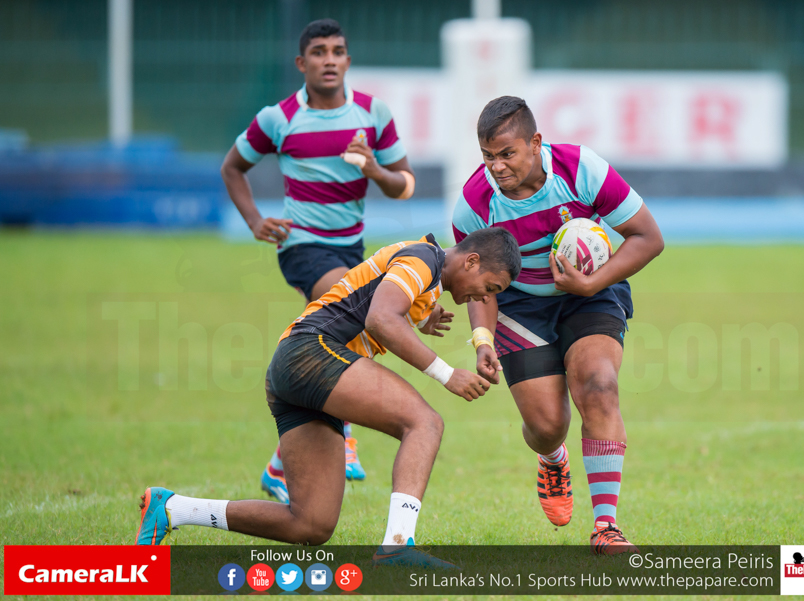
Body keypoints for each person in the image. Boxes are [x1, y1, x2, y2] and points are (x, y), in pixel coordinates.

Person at [135, 228, 521, 566]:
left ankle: (172, 509)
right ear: (471, 261)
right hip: (311, 351)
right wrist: (447, 374)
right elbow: (380, 319)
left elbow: (383, 302)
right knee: (425, 423)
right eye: (489, 288)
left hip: (295, 367)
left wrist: (423, 316)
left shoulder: (427, 272)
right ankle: (397, 545)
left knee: (310, 524)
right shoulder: (423, 258)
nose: (482, 297)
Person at [452, 97, 664, 555]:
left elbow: (649, 237)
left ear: (535, 143)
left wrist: (591, 283)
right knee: (547, 425)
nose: (497, 167)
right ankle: (552, 458)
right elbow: (478, 284)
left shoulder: (581, 170)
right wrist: (482, 339)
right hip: (519, 305)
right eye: (488, 156)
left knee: (599, 385)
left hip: (591, 291)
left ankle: (606, 527)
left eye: (507, 154)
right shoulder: (474, 204)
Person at [220, 19, 415, 493]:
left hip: (350, 249)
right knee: (361, 319)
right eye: (319, 51)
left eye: (338, 51)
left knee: (335, 337)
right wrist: (255, 221)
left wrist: (374, 169)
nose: (330, 60)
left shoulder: (372, 113)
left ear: (348, 60)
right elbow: (232, 168)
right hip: (302, 246)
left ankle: (279, 465)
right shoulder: (279, 118)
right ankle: (346, 434)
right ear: (301, 62)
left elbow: (405, 185)